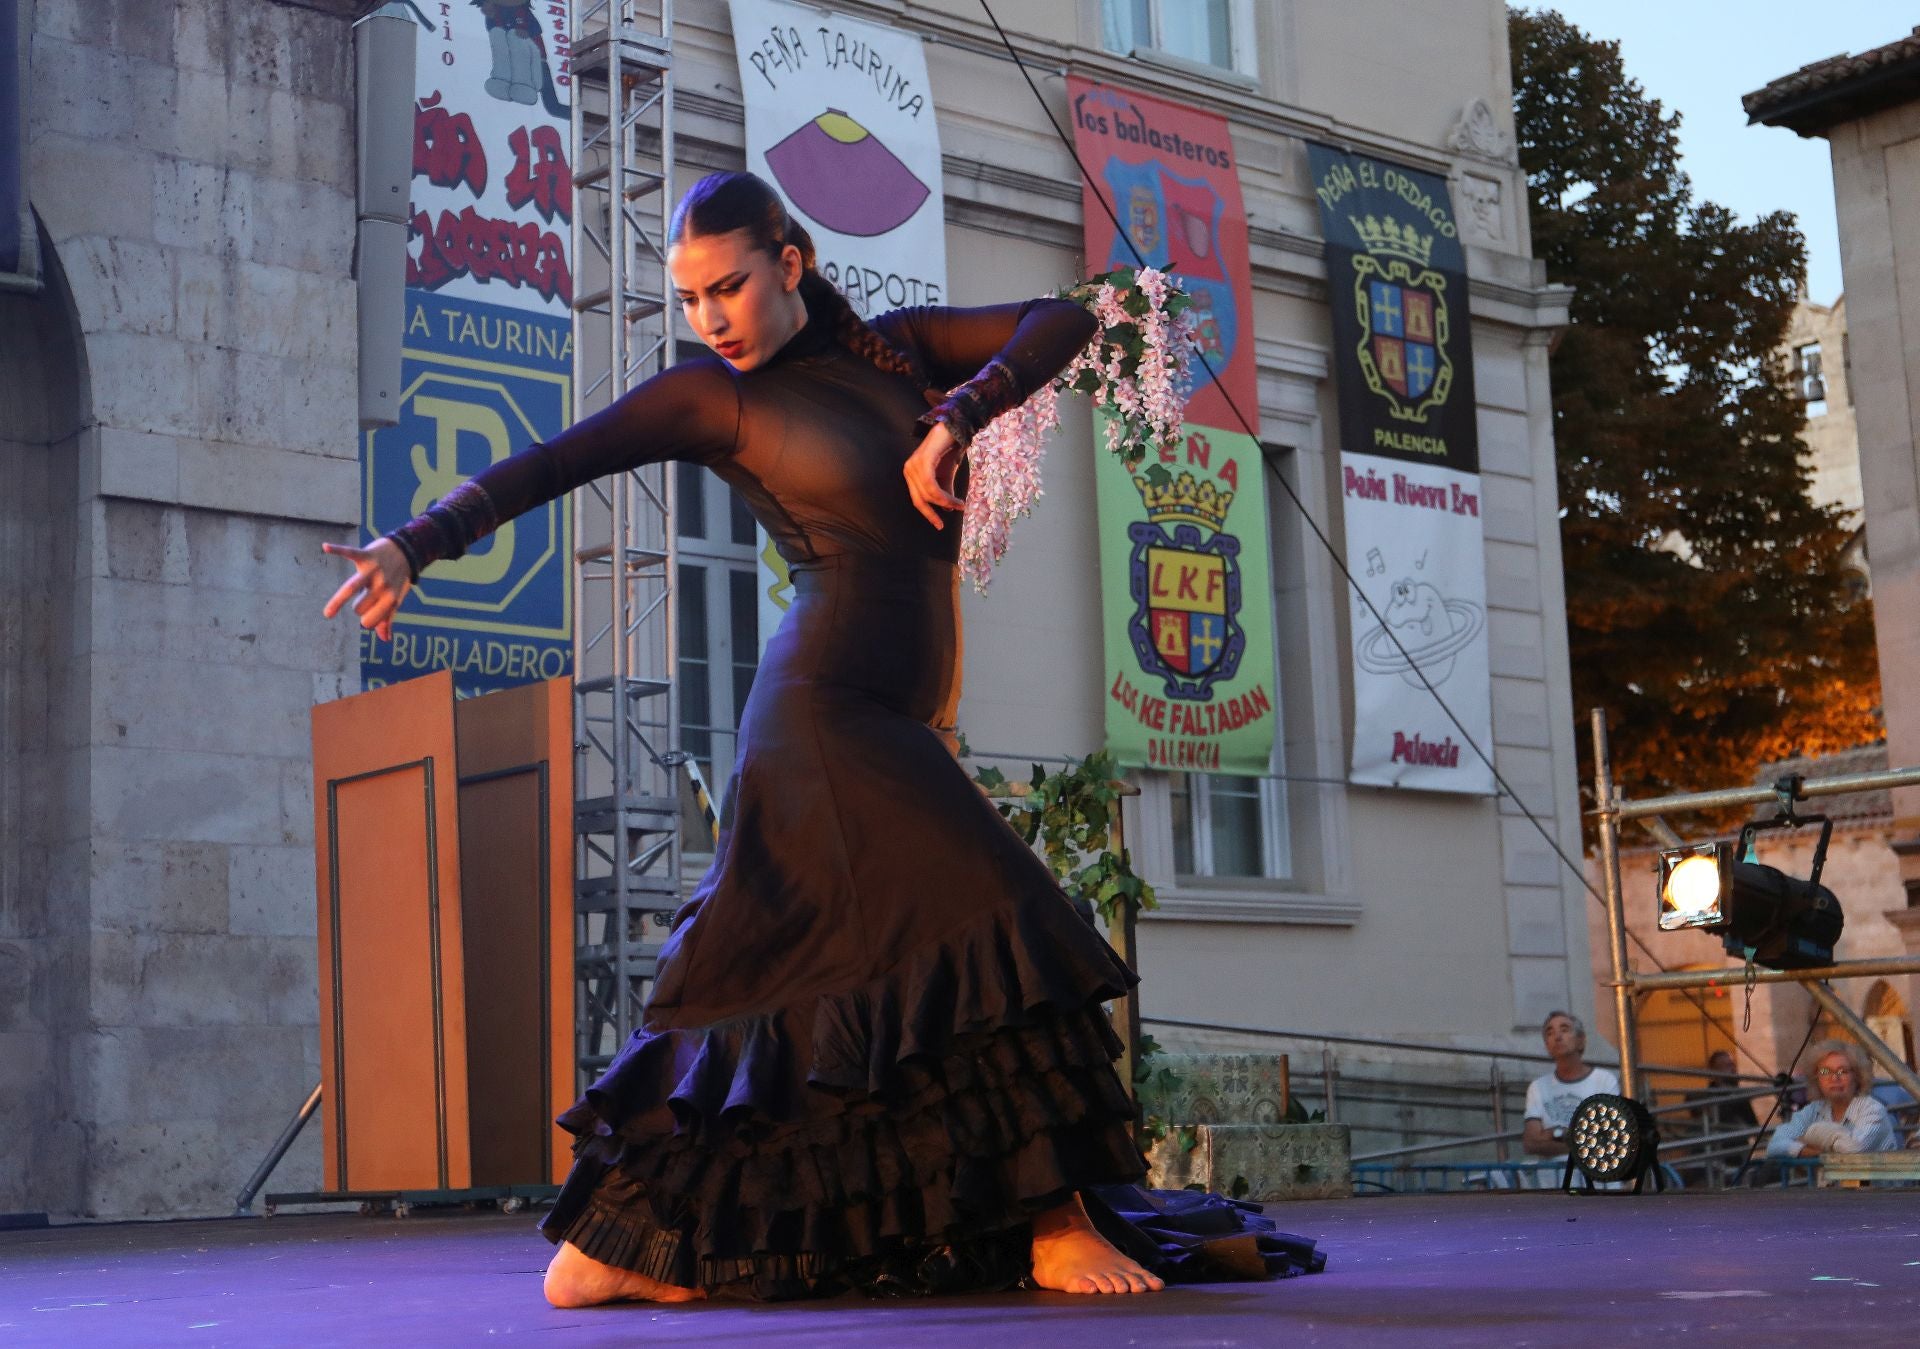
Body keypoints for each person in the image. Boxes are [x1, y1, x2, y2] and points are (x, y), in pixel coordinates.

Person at [322, 172, 1321, 1305]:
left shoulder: (903, 352)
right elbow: (557, 460)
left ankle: (612, 1249)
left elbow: (1071, 318)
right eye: (693, 297)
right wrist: (418, 540)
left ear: (789, 262)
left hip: (887, 712)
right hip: (822, 712)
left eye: (731, 286)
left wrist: (961, 412)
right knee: (1008, 925)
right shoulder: (712, 398)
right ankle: (1051, 1219)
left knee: (808, 981)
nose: (711, 318)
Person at [1765, 1040, 1898, 1159]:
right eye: (1825, 1072)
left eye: (1842, 1071)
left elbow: (1853, 1149)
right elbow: (1774, 1144)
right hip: (1835, 1186)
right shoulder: (1813, 1110)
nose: (1834, 1078)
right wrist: (1806, 1150)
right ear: (1816, 1078)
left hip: (1876, 1186)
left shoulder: (1872, 1110)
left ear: (1857, 1077)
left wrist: (1813, 1134)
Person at [1520, 1011, 1621, 1159]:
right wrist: (1583, 1140)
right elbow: (1531, 1143)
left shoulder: (1604, 1080)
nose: (1557, 1037)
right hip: (1554, 1181)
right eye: (1550, 1032)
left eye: (1565, 1029)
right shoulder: (1538, 1088)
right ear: (1547, 1046)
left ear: (1581, 1040)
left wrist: (1556, 1133)